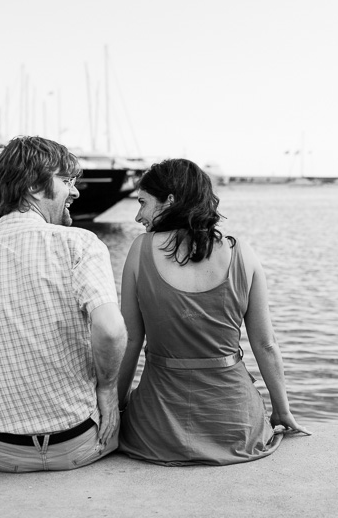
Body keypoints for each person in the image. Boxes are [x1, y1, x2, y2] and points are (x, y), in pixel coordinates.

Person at [0, 136, 127, 473]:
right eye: (66, 181)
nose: (75, 192)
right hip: (78, 445)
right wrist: (106, 389)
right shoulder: (79, 244)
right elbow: (110, 328)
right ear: (33, 185)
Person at [117, 158, 309, 466]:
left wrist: (118, 406)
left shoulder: (140, 250)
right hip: (236, 426)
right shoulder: (242, 253)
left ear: (169, 200)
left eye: (142, 203)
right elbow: (266, 344)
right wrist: (282, 410)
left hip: (157, 428)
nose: (138, 215)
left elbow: (128, 341)